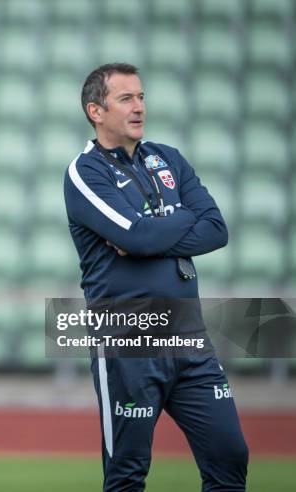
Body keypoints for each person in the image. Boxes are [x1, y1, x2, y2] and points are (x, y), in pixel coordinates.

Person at [63, 63, 248, 491]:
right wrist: (180, 220)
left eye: (141, 97)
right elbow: (137, 236)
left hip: (188, 333)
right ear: (96, 110)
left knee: (230, 453)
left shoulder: (169, 158)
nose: (139, 107)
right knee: (127, 472)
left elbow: (215, 229)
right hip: (128, 337)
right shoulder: (85, 172)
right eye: (126, 98)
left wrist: (155, 231)